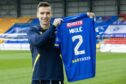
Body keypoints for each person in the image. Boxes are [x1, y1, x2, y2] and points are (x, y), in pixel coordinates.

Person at [27, 1, 95, 84]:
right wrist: (53, 26)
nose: (45, 16)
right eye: (42, 13)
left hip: (57, 77)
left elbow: (73, 28)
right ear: (37, 14)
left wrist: (85, 17)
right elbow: (38, 41)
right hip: (38, 78)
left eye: (48, 13)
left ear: (51, 14)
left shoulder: (60, 31)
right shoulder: (33, 30)